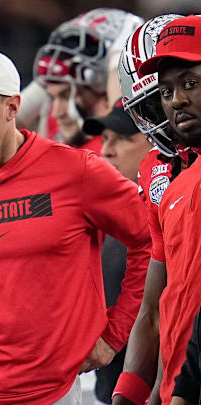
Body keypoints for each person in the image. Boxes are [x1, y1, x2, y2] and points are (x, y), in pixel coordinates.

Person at [0, 47, 151, 405]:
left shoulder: (75, 172)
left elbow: (150, 238)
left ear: (13, 107)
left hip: (51, 391)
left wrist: (115, 334)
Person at [112, 14, 201, 405]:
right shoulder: (165, 177)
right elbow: (158, 307)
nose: (174, 104)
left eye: (190, 84)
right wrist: (131, 396)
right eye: (162, 95)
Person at [83, 100, 152, 403]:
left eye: (122, 138)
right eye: (105, 138)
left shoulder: (172, 213)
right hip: (105, 390)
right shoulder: (97, 218)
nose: (106, 150)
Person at [25, 8, 143, 152]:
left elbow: (122, 116)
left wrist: (121, 54)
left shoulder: (125, 147)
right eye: (52, 97)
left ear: (105, 92)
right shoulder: (55, 121)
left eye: (66, 94)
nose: (57, 113)